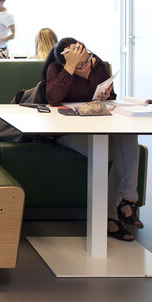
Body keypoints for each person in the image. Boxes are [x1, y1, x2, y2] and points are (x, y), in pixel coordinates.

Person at [44, 37, 142, 241]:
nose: (88, 66)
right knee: (115, 153)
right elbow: (53, 98)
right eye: (81, 64)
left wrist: (106, 96)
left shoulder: (97, 65)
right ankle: (111, 216)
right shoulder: (56, 68)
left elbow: (110, 96)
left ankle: (128, 200)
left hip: (97, 126)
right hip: (67, 131)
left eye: (87, 59)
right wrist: (70, 67)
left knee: (128, 136)